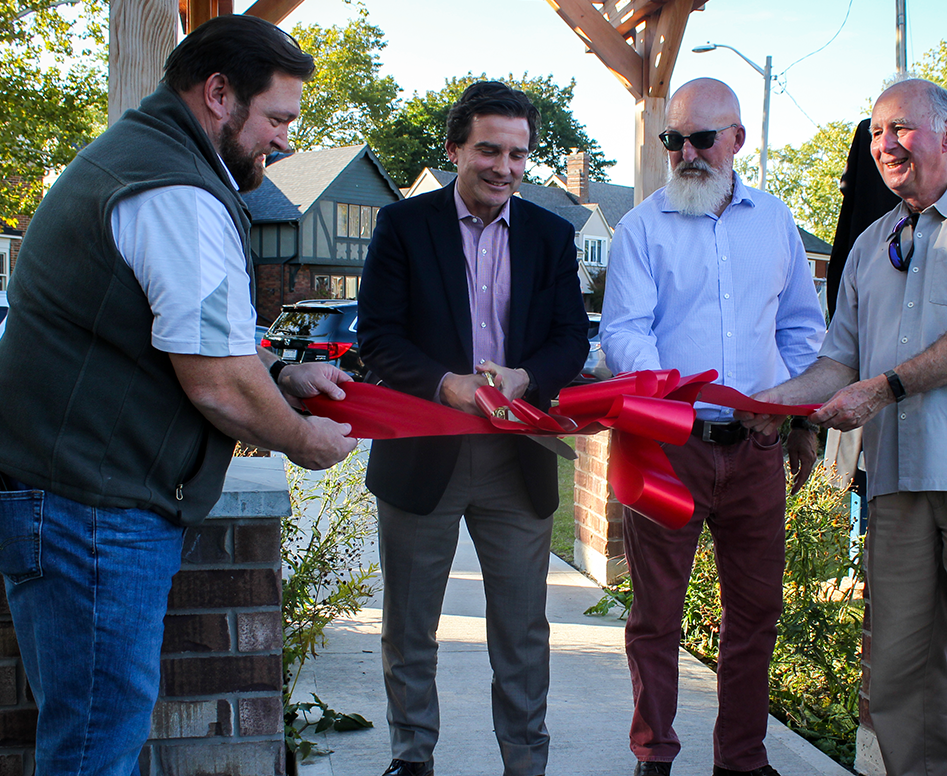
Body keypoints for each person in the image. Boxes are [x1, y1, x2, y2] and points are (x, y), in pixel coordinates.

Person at [0, 15, 357, 775]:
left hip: (80, 501)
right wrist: (303, 438)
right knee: (95, 743)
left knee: (93, 728)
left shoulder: (148, 162)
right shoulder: (176, 192)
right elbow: (218, 383)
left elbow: (177, 338)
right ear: (219, 94)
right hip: (93, 511)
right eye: (278, 118)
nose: (288, 140)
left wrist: (283, 375)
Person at [739, 78, 947, 776]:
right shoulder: (872, 243)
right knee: (898, 681)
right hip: (898, 482)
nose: (885, 144)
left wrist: (883, 389)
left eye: (902, 129)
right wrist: (778, 404)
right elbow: (834, 362)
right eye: (877, 132)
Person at [356, 81, 588, 776]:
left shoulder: (552, 235)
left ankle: (526, 762)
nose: (505, 168)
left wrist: (524, 378)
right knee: (410, 625)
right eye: (489, 150)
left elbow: (569, 340)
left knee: (521, 629)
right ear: (455, 147)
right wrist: (445, 383)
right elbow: (378, 337)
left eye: (519, 155)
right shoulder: (404, 225)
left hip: (516, 457)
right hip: (422, 451)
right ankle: (412, 756)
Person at [600, 78, 826, 776]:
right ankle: (654, 756)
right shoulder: (641, 226)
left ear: (737, 142)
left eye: (702, 139)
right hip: (670, 448)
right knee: (655, 617)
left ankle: (741, 760)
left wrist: (791, 410)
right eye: (675, 139)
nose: (687, 153)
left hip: (756, 450)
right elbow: (624, 332)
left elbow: (800, 328)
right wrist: (669, 401)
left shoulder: (776, 221)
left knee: (755, 615)